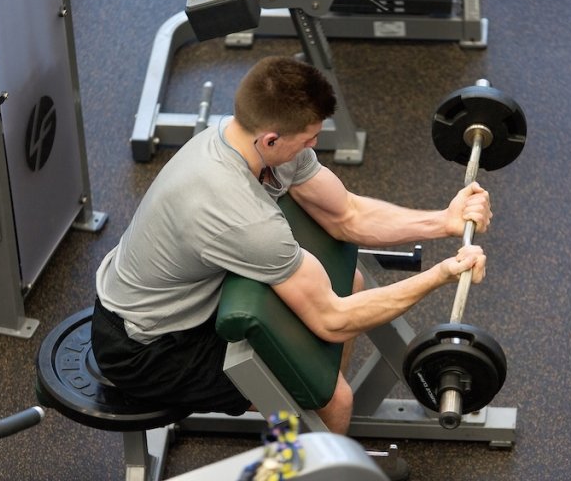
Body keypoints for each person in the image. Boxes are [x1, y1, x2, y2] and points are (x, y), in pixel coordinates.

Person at [91, 56, 491, 435]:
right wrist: (441, 274)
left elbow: (346, 214)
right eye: (308, 139)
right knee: (334, 402)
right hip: (145, 348)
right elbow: (332, 320)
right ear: (270, 138)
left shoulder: (255, 143)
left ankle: (306, 411)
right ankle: (319, 447)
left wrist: (444, 221)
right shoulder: (239, 214)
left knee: (349, 284)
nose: (313, 146)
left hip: (181, 295)